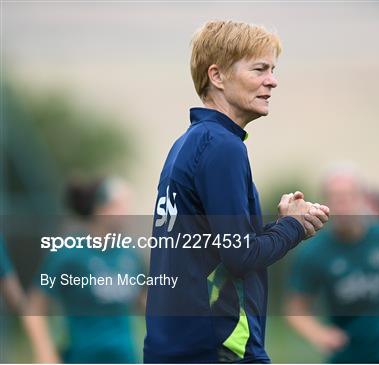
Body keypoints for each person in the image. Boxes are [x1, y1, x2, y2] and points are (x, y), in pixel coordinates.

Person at [144, 20, 330, 363]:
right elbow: (240, 255)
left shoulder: (188, 144)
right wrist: (294, 227)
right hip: (218, 347)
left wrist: (282, 224)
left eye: (272, 69)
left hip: (173, 347)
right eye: (260, 69)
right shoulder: (222, 146)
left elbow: (224, 246)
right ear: (217, 76)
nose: (272, 80)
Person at [286, 168, 379, 363]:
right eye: (335, 198)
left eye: (348, 196)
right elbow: (296, 309)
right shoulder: (313, 252)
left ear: (363, 200)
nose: (343, 204)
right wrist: (319, 334)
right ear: (323, 203)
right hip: (350, 353)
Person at [26, 177, 145, 363]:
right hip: (82, 358)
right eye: (120, 205)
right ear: (101, 208)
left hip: (125, 359)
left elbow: (144, 303)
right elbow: (34, 307)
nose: (128, 212)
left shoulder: (130, 255)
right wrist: (45, 354)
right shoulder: (68, 253)